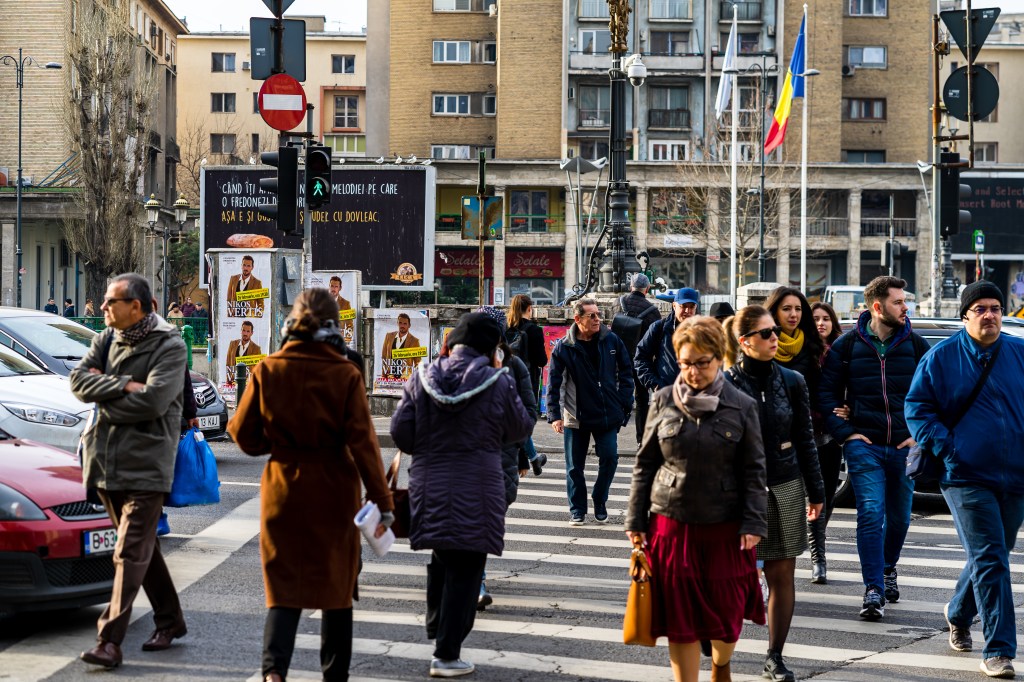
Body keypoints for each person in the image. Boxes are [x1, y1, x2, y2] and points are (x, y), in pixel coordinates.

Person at [228, 288, 395, 682]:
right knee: (337, 588)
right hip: (334, 488)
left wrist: (280, 443)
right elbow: (364, 445)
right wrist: (383, 501)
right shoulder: (345, 373)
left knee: (283, 585)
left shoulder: (267, 369)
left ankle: (274, 673)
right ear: (335, 325)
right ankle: (333, 676)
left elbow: (242, 435)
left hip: (282, 487)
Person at [390, 312, 533, 678]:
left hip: (430, 483)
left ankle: (437, 627)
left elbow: (401, 434)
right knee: (468, 567)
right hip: (478, 485)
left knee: (443, 556)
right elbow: (519, 427)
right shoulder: (498, 380)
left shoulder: (422, 377)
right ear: (491, 350)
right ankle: (446, 652)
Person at [626, 316, 767, 682]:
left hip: (727, 529)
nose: (693, 371)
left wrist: (754, 522)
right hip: (671, 525)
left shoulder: (742, 405)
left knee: (727, 620)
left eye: (701, 362)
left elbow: (754, 470)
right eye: (685, 363)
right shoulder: (661, 401)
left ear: (719, 358)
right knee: (680, 620)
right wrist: (635, 522)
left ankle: (721, 664)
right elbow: (645, 465)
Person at [906, 281, 1024, 680]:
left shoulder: (1019, 352)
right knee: (992, 557)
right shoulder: (941, 358)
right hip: (965, 476)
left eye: (995, 307)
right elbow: (917, 409)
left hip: (1015, 476)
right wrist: (948, 448)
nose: (989, 314)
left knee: (994, 552)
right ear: (965, 315)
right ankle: (999, 650)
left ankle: (958, 611)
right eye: (980, 309)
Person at [69, 273, 188, 669]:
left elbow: (154, 402)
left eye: (110, 302)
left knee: (128, 549)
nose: (102, 308)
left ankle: (109, 640)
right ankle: (170, 620)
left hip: (149, 462)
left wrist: (107, 398)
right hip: (105, 459)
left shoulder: (170, 344)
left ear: (136, 307)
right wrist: (123, 385)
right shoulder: (105, 338)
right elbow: (78, 381)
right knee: (143, 548)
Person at [818, 276, 928, 620]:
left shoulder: (917, 346)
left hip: (904, 446)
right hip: (863, 445)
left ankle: (888, 567)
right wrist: (846, 434)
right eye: (898, 302)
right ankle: (873, 588)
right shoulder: (847, 346)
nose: (905, 307)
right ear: (877, 307)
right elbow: (825, 395)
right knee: (870, 513)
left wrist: (918, 434)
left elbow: (937, 395)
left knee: (899, 518)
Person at [726, 306, 824, 682]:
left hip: (784, 483)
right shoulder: (726, 383)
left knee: (783, 574)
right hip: (739, 489)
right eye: (766, 333)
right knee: (733, 574)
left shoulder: (793, 380)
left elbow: (805, 439)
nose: (774, 338)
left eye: (775, 332)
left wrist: (817, 492)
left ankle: (774, 656)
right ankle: (719, 639)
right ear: (744, 341)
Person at [547, 297, 634, 525]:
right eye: (592, 316)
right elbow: (553, 383)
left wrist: (624, 403)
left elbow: (626, 372)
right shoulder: (564, 347)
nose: (598, 319)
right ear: (578, 319)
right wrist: (554, 415)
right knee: (575, 466)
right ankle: (577, 509)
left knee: (610, 458)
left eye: (598, 314)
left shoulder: (611, 340)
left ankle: (600, 498)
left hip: (607, 413)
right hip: (576, 415)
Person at [764, 287, 825, 584]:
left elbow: (826, 390)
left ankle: (818, 558)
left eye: (798, 309)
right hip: (769, 438)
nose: (793, 315)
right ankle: (765, 566)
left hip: (809, 432)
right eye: (787, 309)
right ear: (774, 311)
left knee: (818, 499)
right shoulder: (763, 345)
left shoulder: (814, 346)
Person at [807, 302, 844, 583]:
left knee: (827, 498)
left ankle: (818, 552)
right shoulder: (800, 350)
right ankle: (818, 558)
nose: (821, 323)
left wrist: (850, 407)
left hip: (830, 436)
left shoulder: (842, 352)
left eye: (825, 318)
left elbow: (856, 386)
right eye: (816, 318)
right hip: (801, 434)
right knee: (804, 499)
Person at [613, 274, 661, 447]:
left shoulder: (618, 303)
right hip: (640, 361)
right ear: (647, 289)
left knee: (616, 395)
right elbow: (656, 340)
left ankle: (611, 434)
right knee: (641, 399)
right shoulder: (652, 311)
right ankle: (641, 439)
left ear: (630, 287)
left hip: (617, 358)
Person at [505, 294, 548, 475]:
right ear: (529, 308)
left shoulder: (505, 328)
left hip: (506, 378)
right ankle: (530, 458)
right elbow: (541, 361)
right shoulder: (534, 330)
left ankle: (532, 458)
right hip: (527, 379)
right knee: (525, 420)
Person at [635, 287, 700, 394]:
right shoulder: (659, 328)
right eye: (683, 306)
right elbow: (641, 358)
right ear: (674, 306)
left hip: (694, 397)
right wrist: (655, 384)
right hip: (667, 396)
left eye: (691, 307)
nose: (687, 311)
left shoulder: (702, 331)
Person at [381, 312, 422, 378]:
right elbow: (384, 357)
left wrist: (415, 379)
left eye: (405, 324)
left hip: (406, 379)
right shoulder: (389, 336)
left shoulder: (414, 341)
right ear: (397, 323)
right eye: (400, 323)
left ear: (409, 325)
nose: (402, 325)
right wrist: (383, 376)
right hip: (390, 378)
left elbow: (418, 363)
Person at [328, 276, 355, 342]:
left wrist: (347, 341)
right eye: (332, 286)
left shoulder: (346, 304)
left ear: (340, 288)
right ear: (329, 286)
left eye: (336, 287)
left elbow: (350, 325)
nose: (333, 289)